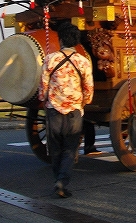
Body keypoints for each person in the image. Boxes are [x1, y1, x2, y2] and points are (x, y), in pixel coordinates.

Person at [38, 23, 94, 197]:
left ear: (60, 39)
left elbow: (43, 87)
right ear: (76, 41)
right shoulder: (83, 62)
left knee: (55, 148)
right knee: (70, 147)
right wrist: (84, 102)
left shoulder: (50, 59)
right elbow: (89, 89)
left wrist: (43, 99)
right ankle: (62, 182)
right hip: (74, 110)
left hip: (54, 109)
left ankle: (58, 179)